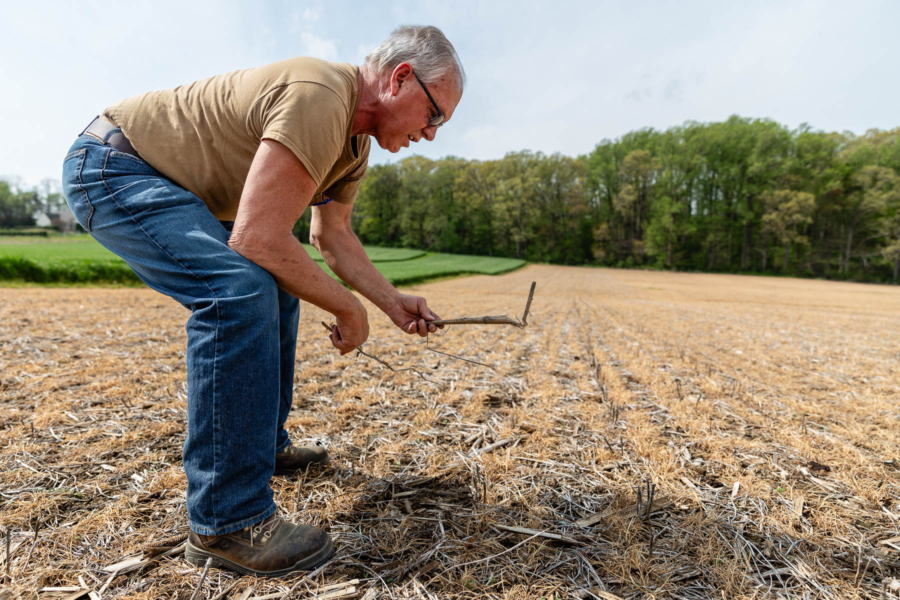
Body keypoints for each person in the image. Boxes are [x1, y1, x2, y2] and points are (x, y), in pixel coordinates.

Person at [61, 25, 464, 577]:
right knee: (239, 291)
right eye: (435, 114)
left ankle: (259, 445)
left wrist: (391, 301)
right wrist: (349, 308)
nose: (432, 133)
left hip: (179, 190)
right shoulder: (320, 95)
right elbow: (258, 238)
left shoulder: (353, 148)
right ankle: (228, 522)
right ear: (400, 78)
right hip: (119, 168)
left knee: (276, 286)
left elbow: (332, 237)